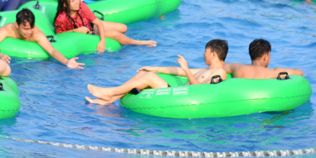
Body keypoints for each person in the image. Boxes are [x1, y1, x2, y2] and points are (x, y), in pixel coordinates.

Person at [86, 39, 229, 105]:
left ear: (213, 54)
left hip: (180, 98)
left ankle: (109, 92)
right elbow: (178, 71)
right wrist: (153, 68)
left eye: (206, 51)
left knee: (148, 77)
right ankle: (110, 99)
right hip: (177, 93)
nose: (203, 54)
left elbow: (201, 89)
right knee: (144, 74)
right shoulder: (205, 69)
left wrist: (186, 69)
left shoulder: (220, 73)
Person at [0, 9, 84, 69]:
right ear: (17, 25)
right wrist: (0, 55)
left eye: (31, 28)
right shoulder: (7, 29)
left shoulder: (36, 34)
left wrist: (67, 62)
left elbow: (51, 51)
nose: (29, 32)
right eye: (25, 29)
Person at [224, 39, 304, 80]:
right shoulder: (272, 72)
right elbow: (300, 72)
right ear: (265, 56)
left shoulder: (238, 67)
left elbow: (221, 65)